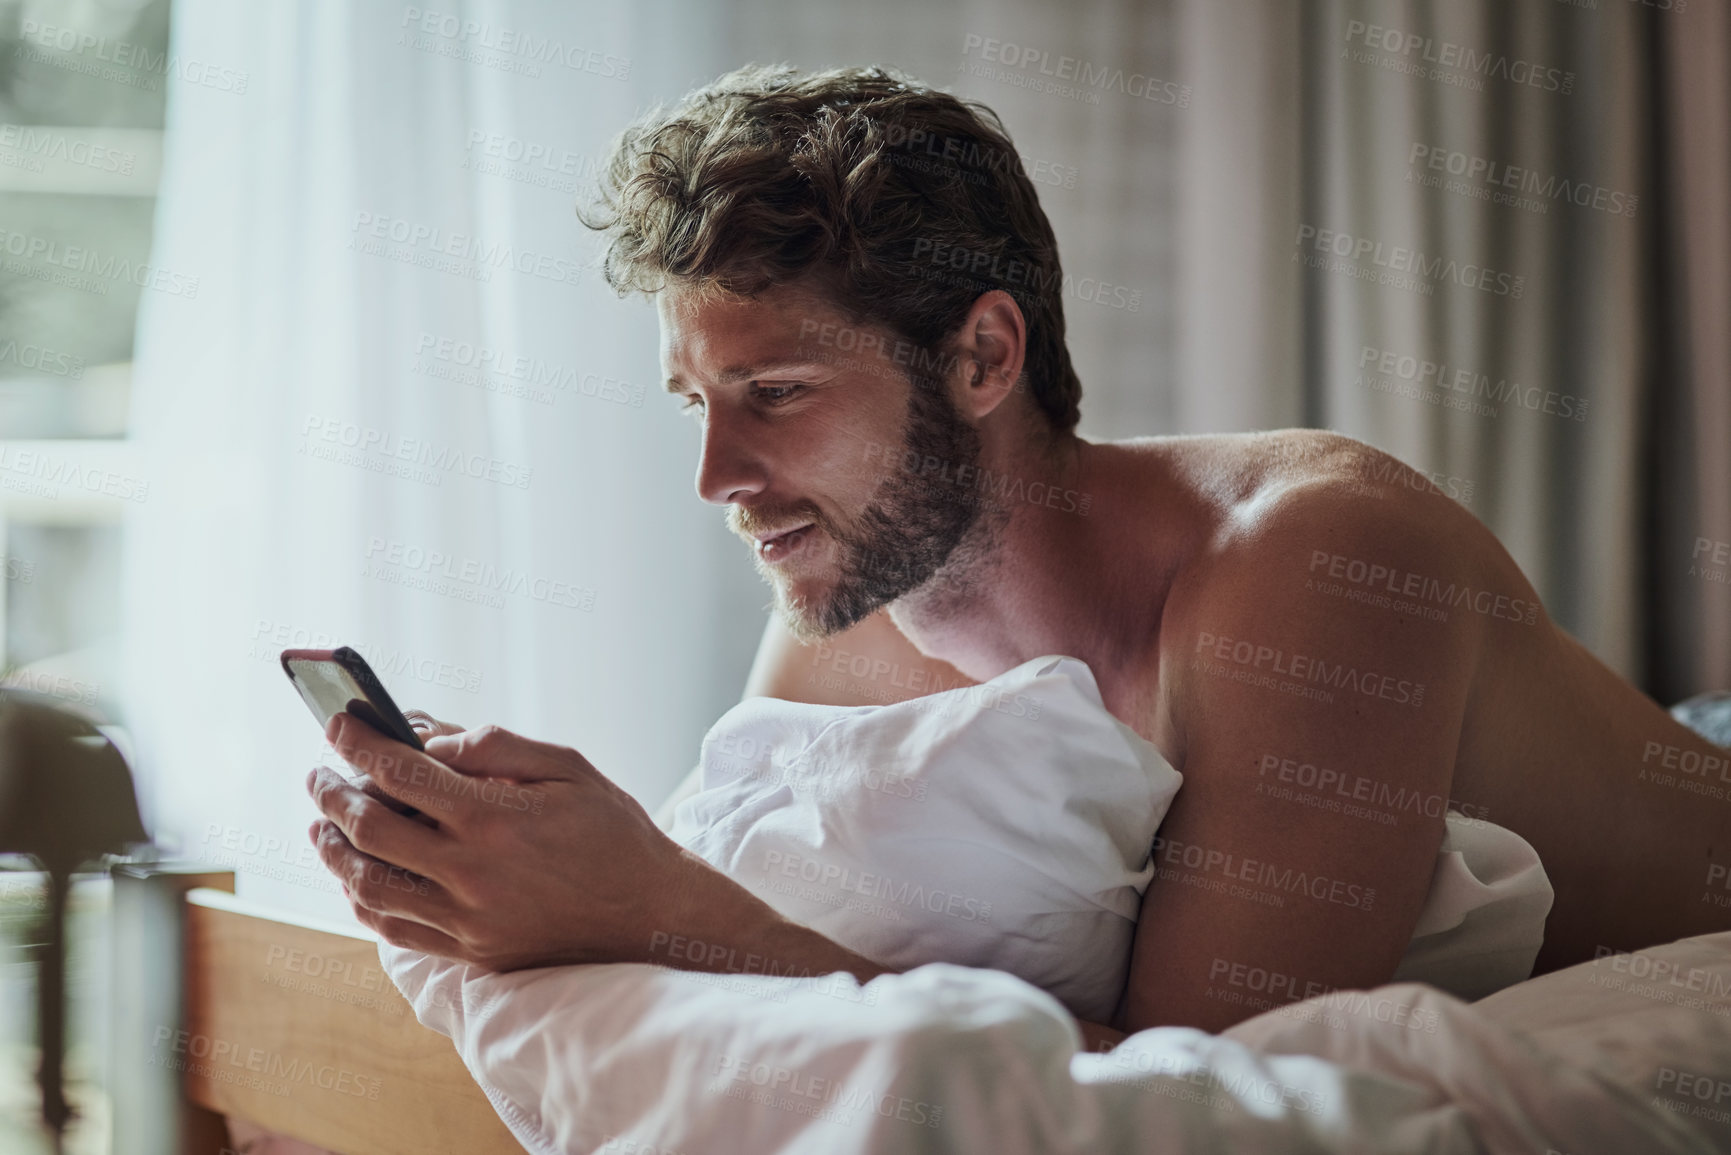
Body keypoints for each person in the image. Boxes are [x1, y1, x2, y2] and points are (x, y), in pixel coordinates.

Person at [306, 63, 1731, 1047]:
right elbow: (751, 912)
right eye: (700, 404)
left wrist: (660, 908)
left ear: (985, 353)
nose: (718, 480)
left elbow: (1202, 1097)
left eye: (780, 396)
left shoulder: (1311, 566)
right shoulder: (848, 600)